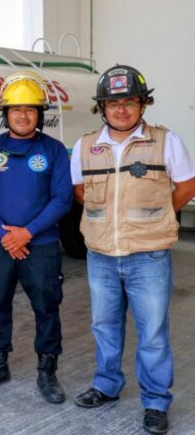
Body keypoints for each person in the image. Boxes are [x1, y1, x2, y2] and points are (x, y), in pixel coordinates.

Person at [71, 65, 195, 434]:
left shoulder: (165, 141)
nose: (121, 109)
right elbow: (80, 192)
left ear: (143, 104)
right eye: (113, 103)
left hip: (148, 257)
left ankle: (155, 401)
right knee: (104, 326)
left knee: (152, 333)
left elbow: (187, 186)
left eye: (129, 102)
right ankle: (107, 385)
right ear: (102, 107)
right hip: (101, 256)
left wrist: (157, 217)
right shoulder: (84, 145)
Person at [0, 71, 72, 403]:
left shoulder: (54, 150)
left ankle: (47, 371)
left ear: (40, 114)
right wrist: (5, 234)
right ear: (5, 113)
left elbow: (62, 199)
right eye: (16, 109)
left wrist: (27, 232)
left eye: (31, 109)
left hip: (40, 245)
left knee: (47, 305)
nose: (23, 115)